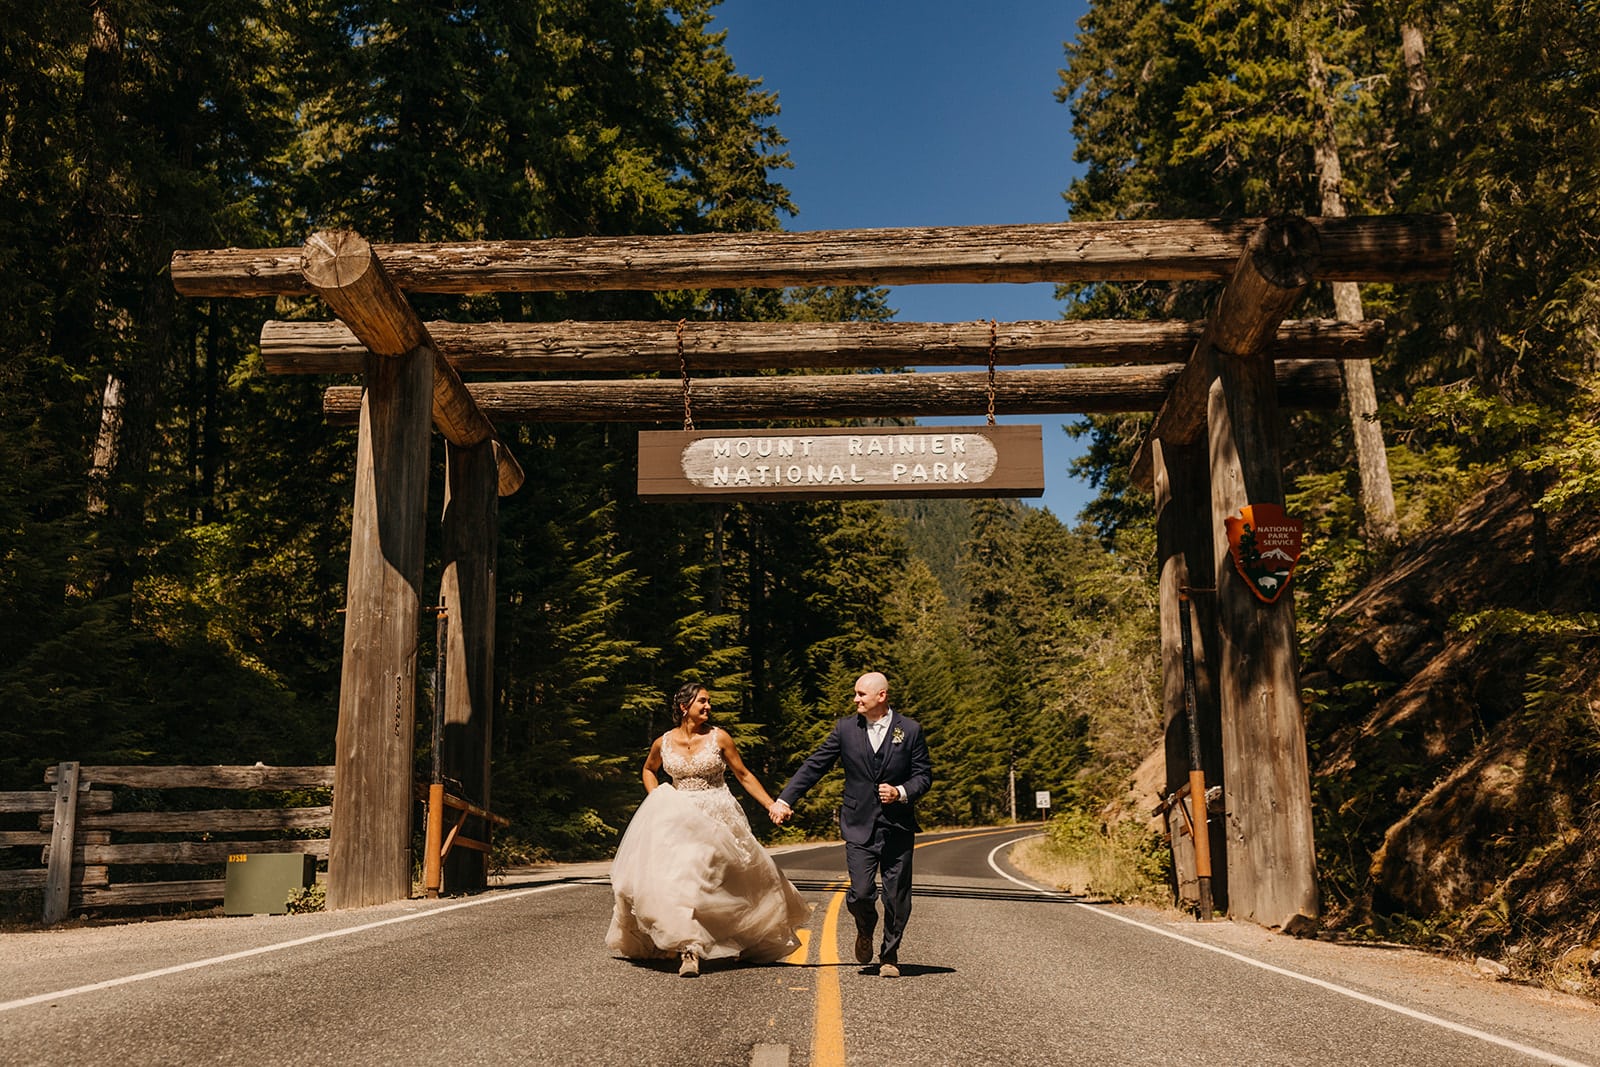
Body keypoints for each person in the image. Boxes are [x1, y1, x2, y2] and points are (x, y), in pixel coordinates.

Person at [607, 681, 810, 977]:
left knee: (731, 880)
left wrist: (771, 805)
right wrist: (658, 798)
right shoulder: (663, 742)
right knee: (680, 880)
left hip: (719, 815)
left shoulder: (720, 738)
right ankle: (689, 948)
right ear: (683, 707)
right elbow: (649, 770)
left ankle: (750, 937)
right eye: (702, 701)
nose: (708, 706)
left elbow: (743, 774)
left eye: (709, 701)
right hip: (677, 818)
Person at [770, 671, 932, 978]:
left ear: (881, 696)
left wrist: (900, 792)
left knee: (897, 895)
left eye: (861, 694)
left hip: (898, 826)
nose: (855, 699)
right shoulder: (845, 729)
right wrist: (786, 800)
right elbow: (815, 765)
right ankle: (864, 928)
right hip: (858, 824)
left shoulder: (909, 730)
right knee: (860, 893)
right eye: (855, 694)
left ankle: (890, 955)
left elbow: (924, 776)